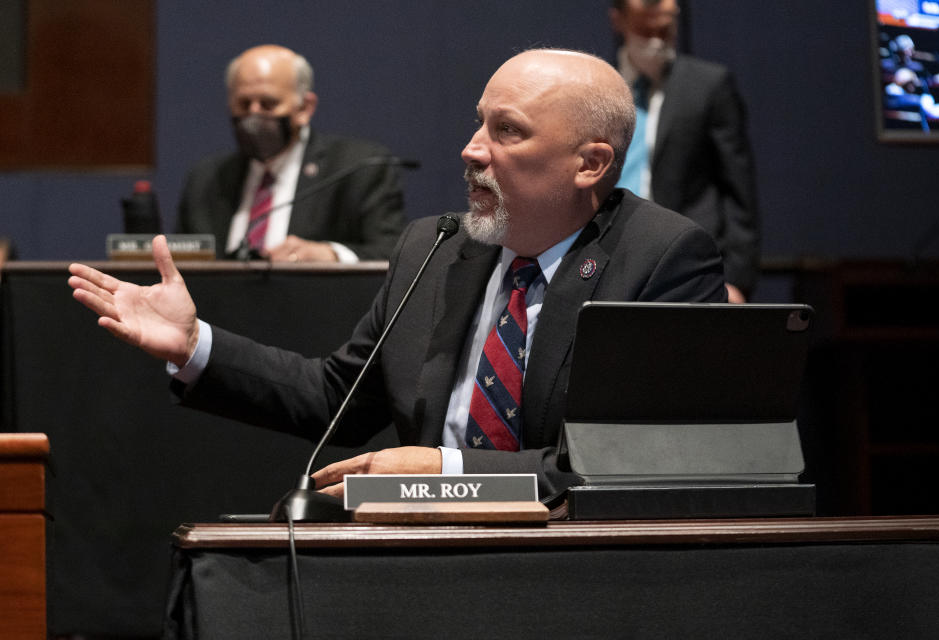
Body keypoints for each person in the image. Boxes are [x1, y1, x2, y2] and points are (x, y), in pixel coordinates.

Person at [69, 49, 726, 498]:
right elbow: (334, 400)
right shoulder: (435, 249)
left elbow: (638, 464)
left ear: (590, 164)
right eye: (478, 123)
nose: (471, 149)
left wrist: (445, 469)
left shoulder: (663, 259)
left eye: (508, 131)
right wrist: (193, 346)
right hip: (419, 554)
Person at [175, 44, 407, 262]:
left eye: (268, 104)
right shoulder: (206, 179)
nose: (253, 116)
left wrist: (331, 255)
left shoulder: (357, 168)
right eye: (244, 104)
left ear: (305, 108)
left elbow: (394, 254)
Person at [609, 0, 759, 302]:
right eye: (644, 27)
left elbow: (739, 190)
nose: (654, 39)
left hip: (688, 261)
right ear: (619, 20)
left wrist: (737, 280)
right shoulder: (598, 84)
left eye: (664, 29)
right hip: (611, 254)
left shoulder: (708, 84)